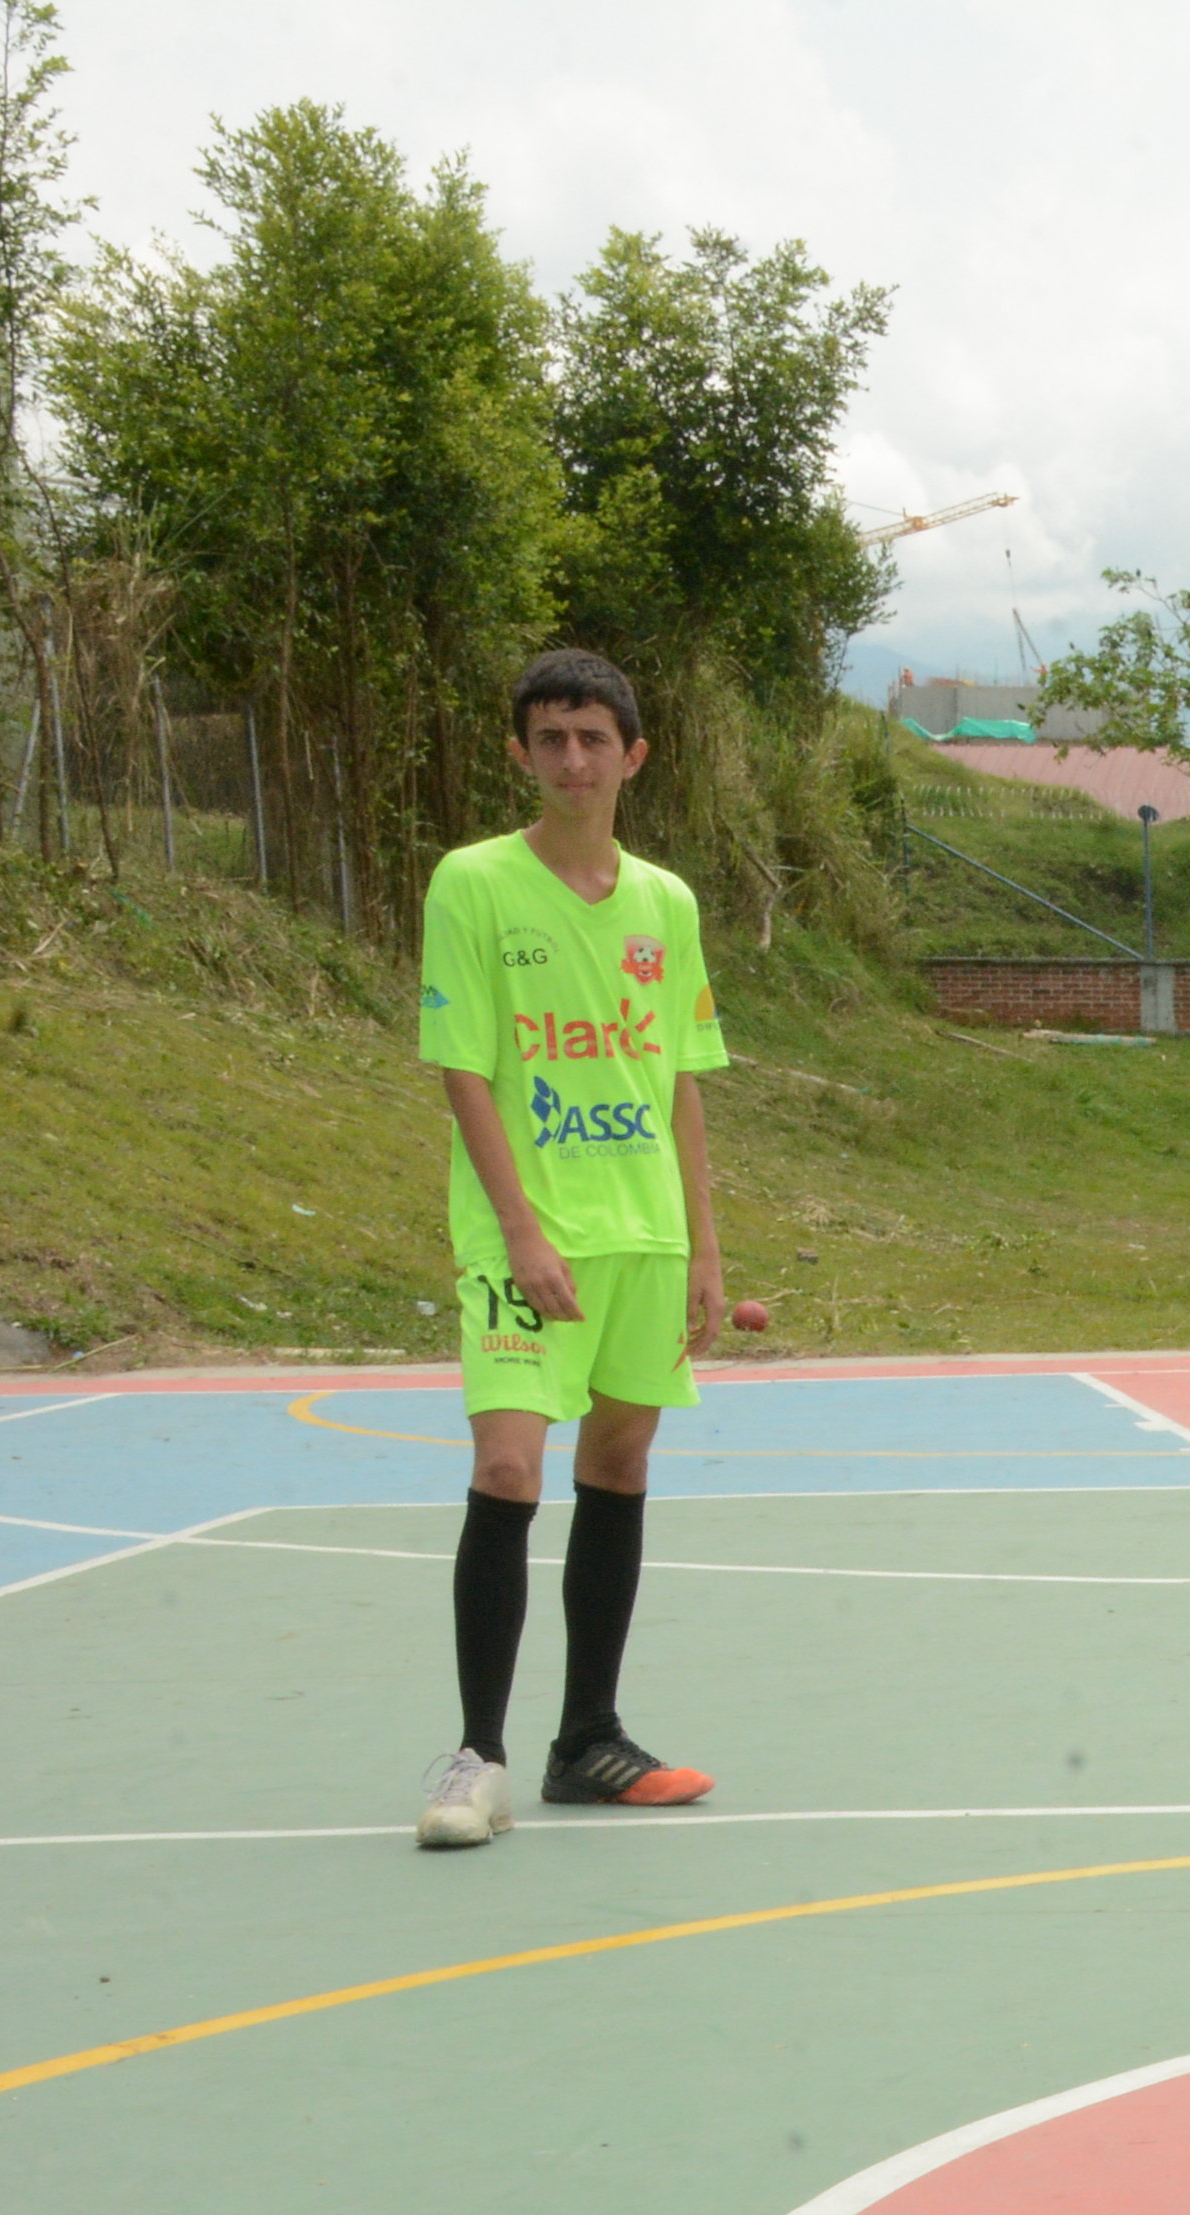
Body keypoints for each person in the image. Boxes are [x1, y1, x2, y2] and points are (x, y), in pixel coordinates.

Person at [411, 650, 725, 1851]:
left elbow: (684, 1085)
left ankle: (586, 1738)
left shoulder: (668, 904)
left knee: (621, 1464)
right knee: (506, 1470)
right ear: (521, 755)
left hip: (642, 1229)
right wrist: (523, 1231)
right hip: (524, 1233)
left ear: (633, 754)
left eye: (594, 738)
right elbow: (466, 1070)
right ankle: (475, 1755)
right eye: (551, 739)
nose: (574, 759)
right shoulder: (472, 885)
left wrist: (705, 1249)